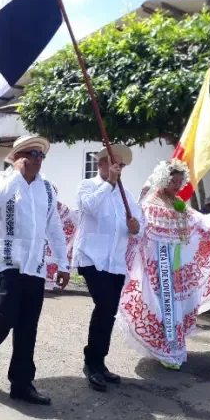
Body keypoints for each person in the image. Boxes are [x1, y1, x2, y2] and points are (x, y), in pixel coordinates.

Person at [117, 159, 210, 370]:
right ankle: (165, 348)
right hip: (159, 264)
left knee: (179, 306)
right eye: (173, 181)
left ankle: (173, 347)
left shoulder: (178, 204)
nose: (176, 185)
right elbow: (142, 231)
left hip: (178, 265)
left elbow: (199, 222)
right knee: (164, 307)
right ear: (164, 180)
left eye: (179, 181)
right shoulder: (150, 204)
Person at [0, 136, 70, 405]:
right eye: (32, 154)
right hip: (6, 263)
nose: (38, 160)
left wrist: (62, 263)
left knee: (28, 326)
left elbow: (55, 229)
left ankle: (22, 384)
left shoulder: (48, 189)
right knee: (5, 317)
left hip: (34, 266)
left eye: (41, 156)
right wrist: (15, 174)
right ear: (18, 157)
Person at [74, 145, 143, 392]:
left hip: (115, 263)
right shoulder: (88, 186)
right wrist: (109, 184)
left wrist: (136, 227)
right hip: (92, 259)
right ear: (101, 164)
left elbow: (138, 224)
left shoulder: (126, 195)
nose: (118, 169)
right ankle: (92, 363)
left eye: (121, 166)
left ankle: (99, 362)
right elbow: (90, 207)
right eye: (114, 164)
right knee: (104, 307)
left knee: (108, 313)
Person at [43, 183, 79, 292]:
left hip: (60, 238)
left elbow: (71, 223)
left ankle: (56, 283)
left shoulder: (62, 208)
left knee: (57, 260)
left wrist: (64, 236)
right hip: (44, 238)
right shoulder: (39, 205)